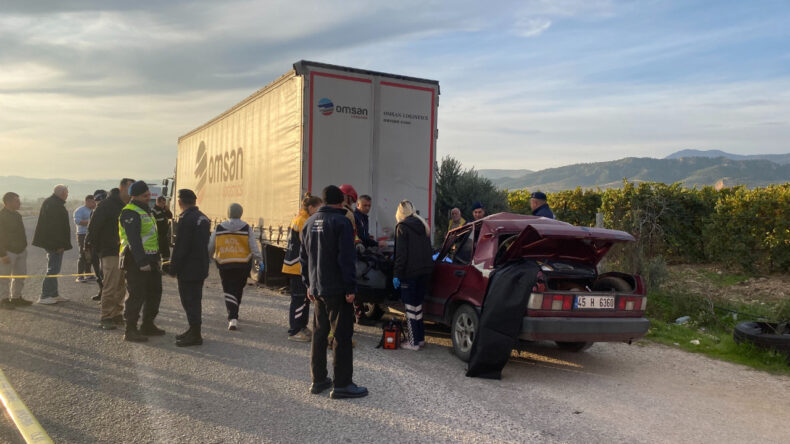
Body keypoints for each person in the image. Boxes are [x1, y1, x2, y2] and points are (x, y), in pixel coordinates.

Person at [300, 185, 367, 399]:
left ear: (323, 201)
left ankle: (318, 380)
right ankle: (342, 384)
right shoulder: (341, 222)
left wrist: (308, 284)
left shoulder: (309, 222)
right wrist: (350, 287)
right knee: (342, 336)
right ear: (341, 202)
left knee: (320, 334)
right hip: (338, 289)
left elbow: (304, 258)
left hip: (318, 288)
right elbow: (346, 258)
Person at [119, 181, 165, 342]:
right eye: (145, 195)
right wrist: (141, 261)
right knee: (136, 295)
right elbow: (134, 240)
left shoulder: (146, 210)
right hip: (135, 260)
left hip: (151, 258)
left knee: (154, 292)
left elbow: (152, 236)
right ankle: (130, 329)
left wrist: (158, 258)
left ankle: (148, 324)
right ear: (135, 196)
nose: (148, 197)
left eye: (149, 194)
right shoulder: (130, 212)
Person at [208, 202, 262, 331]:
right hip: (243, 264)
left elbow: (211, 245)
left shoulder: (219, 227)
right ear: (241, 213)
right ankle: (234, 315)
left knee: (229, 289)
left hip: (225, 263)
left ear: (228, 213)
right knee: (238, 288)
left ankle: (233, 317)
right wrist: (259, 260)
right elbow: (253, 246)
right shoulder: (246, 227)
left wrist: (208, 257)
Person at [87, 181, 133, 330]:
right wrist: (94, 249)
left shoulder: (127, 205)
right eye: (130, 188)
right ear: (122, 188)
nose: (132, 192)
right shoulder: (106, 205)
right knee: (111, 285)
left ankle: (117, 313)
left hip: (124, 251)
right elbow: (93, 228)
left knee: (121, 286)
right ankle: (106, 316)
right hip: (110, 251)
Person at [169, 189, 211, 347]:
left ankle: (195, 334)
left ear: (180, 202)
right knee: (194, 299)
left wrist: (173, 268)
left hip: (188, 268)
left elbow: (182, 246)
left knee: (189, 301)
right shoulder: (202, 217)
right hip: (200, 265)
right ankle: (193, 330)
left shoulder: (186, 219)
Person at [392, 200, 433, 351]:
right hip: (425, 271)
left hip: (409, 273)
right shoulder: (422, 225)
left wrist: (396, 274)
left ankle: (413, 342)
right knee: (418, 307)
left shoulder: (402, 227)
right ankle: (420, 339)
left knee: (410, 308)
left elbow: (401, 255)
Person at [282, 193, 323, 341]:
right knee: (299, 298)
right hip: (296, 265)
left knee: (305, 299)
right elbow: (306, 244)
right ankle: (295, 330)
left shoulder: (301, 218)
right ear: (311, 207)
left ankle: (302, 326)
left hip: (296, 264)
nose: (320, 212)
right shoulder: (303, 221)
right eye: (318, 209)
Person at [32, 184, 72, 305]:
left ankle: (54, 294)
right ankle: (44, 295)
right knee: (53, 269)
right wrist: (58, 245)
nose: (67, 195)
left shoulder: (53, 202)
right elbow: (54, 228)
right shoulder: (54, 204)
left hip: (53, 242)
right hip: (53, 243)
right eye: (66, 193)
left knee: (55, 268)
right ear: (62, 193)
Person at [0, 192, 32, 309]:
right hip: (8, 252)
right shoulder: (1, 216)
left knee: (20, 276)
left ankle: (16, 298)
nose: (20, 203)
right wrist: (2, 254)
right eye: (17, 201)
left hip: (21, 251)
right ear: (8, 202)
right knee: (4, 277)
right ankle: (3, 300)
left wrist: (24, 246)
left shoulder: (17, 215)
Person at [88, 189, 107, 301]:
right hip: (95, 246)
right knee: (97, 271)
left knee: (103, 272)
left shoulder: (109, 211)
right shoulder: (94, 212)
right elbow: (90, 229)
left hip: (104, 246)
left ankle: (106, 294)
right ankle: (101, 291)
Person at [73, 194, 97, 283]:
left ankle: (88, 274)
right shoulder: (80, 210)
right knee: (83, 254)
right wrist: (92, 223)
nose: (94, 203)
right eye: (93, 202)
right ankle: (80, 276)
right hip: (82, 234)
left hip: (92, 234)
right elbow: (78, 221)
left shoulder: (95, 210)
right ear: (87, 201)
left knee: (90, 255)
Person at [150, 196, 173, 266]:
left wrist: (167, 210)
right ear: (158, 202)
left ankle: (165, 267)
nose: (164, 205)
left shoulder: (163, 210)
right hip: (158, 235)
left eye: (164, 203)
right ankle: (158, 267)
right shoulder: (153, 211)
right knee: (158, 252)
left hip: (164, 235)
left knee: (166, 253)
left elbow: (170, 216)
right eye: (163, 203)